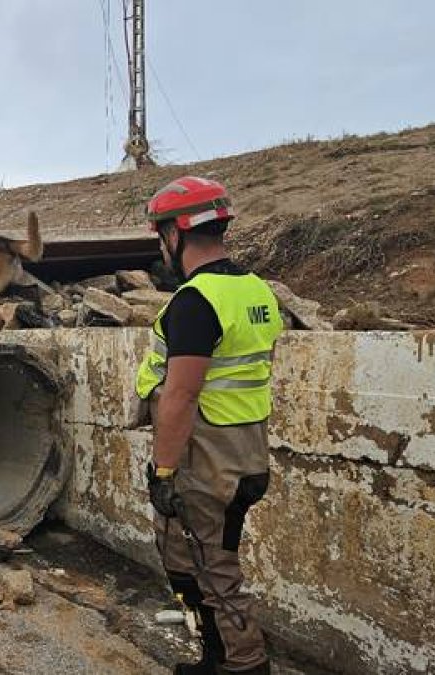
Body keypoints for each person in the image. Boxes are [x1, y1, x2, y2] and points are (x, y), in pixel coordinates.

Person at [134, 176, 283, 675]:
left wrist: (163, 471)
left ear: (176, 234)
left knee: (214, 573)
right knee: (198, 561)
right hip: (247, 453)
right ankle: (217, 658)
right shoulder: (256, 290)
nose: (161, 245)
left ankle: (243, 665)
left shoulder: (196, 301)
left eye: (161, 235)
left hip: (208, 463)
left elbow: (182, 394)